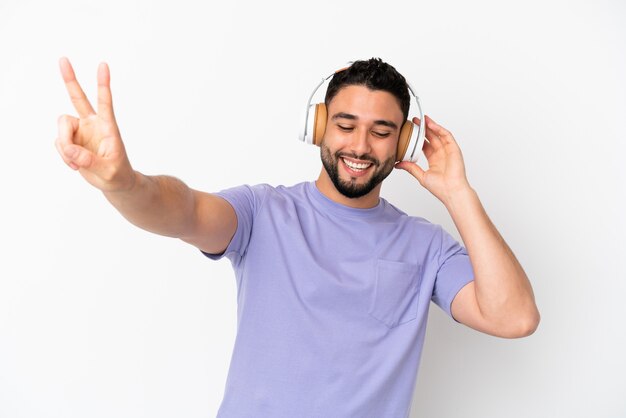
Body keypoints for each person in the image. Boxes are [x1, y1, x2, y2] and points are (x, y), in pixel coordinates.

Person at [55, 56, 540, 417]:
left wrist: (458, 194)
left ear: (404, 141)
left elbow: (514, 317)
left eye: (381, 131)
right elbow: (181, 210)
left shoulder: (428, 245)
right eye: (346, 125)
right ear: (320, 126)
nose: (359, 146)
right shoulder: (261, 211)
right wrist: (125, 183)